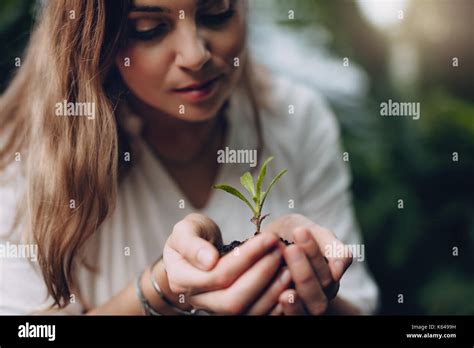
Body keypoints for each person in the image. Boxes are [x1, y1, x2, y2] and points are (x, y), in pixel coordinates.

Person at [0, 0, 379, 315]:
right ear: (95, 39)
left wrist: (306, 285)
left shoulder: (296, 118)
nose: (196, 55)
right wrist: (159, 291)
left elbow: (358, 308)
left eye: (216, 12)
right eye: (149, 28)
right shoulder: (22, 158)